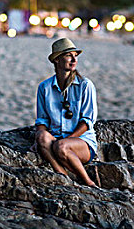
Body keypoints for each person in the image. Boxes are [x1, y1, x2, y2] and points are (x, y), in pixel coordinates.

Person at [32, 38, 98, 187]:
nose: (74, 59)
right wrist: (38, 137)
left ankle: (87, 181)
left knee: (61, 146)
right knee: (42, 136)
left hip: (82, 142)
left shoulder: (85, 85)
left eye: (76, 55)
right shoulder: (44, 87)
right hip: (55, 139)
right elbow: (42, 120)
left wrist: (68, 139)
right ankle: (61, 173)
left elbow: (87, 121)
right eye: (68, 55)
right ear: (56, 60)